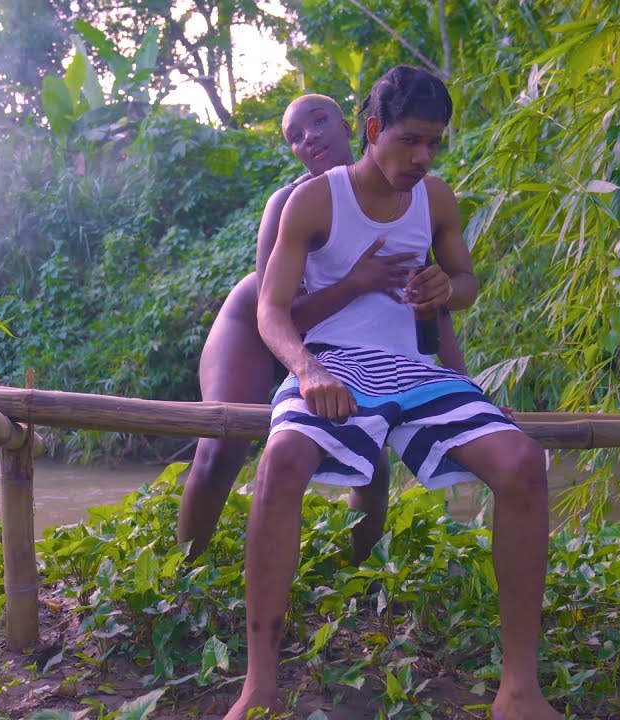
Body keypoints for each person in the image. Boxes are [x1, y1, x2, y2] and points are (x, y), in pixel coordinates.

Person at [225, 66, 561, 720]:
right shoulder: (314, 201)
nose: (424, 156)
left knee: (523, 462)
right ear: (374, 129)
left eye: (434, 142)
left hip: (413, 371)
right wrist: (307, 371)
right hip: (331, 363)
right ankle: (259, 686)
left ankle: (519, 690)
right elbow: (271, 311)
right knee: (280, 461)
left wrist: (447, 289)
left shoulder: (436, 199)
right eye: (411, 140)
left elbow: (467, 283)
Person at [177, 93, 471, 564]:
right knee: (221, 448)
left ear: (355, 127)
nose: (309, 137)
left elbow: (433, 304)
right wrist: (357, 283)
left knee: (370, 462)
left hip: (337, 340)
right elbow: (279, 315)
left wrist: (466, 384)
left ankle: (358, 581)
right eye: (295, 136)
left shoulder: (404, 194)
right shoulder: (289, 203)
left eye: (318, 122)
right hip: (256, 326)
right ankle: (184, 573)